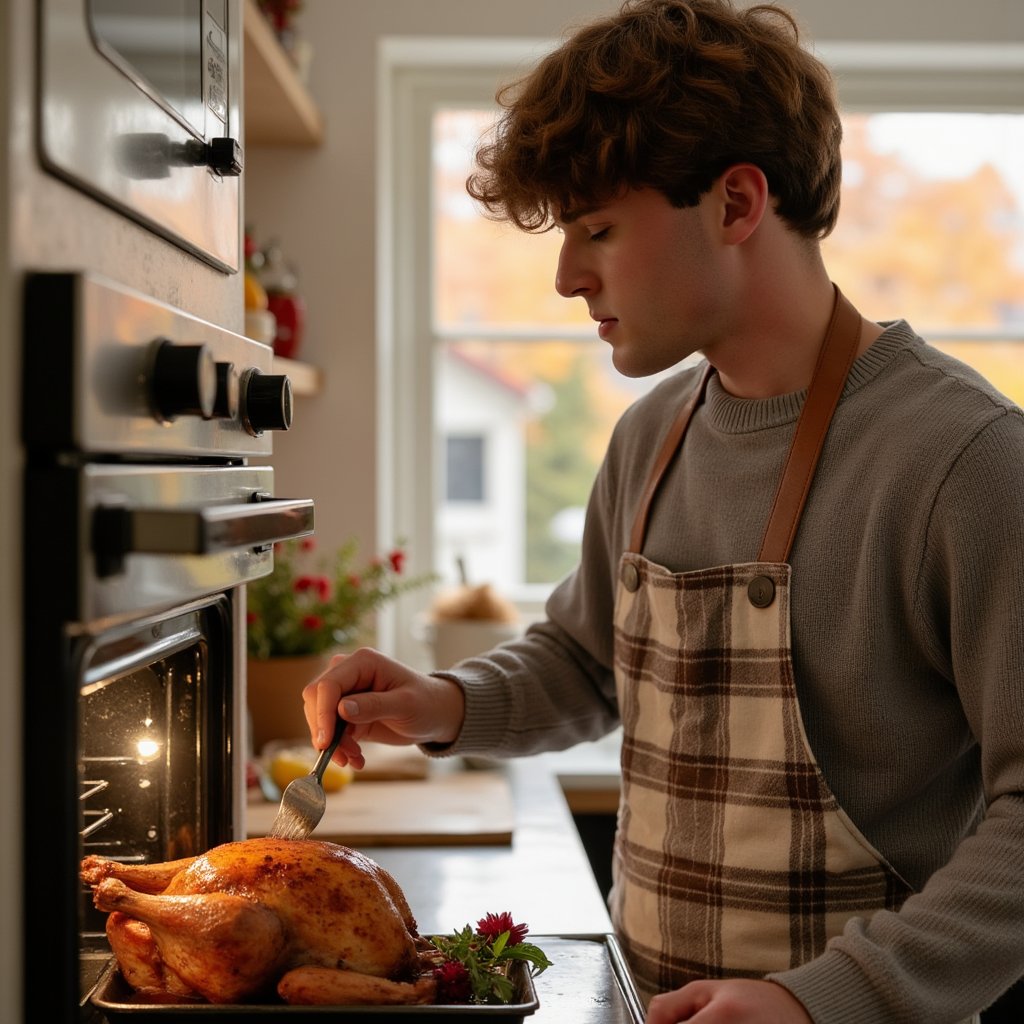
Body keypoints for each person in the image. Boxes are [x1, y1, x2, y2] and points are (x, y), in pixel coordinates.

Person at [301, 1, 1024, 1020]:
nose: (564, 276)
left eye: (596, 228)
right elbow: (592, 659)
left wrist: (824, 998)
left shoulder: (964, 460)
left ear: (734, 204)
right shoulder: (652, 434)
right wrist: (444, 702)